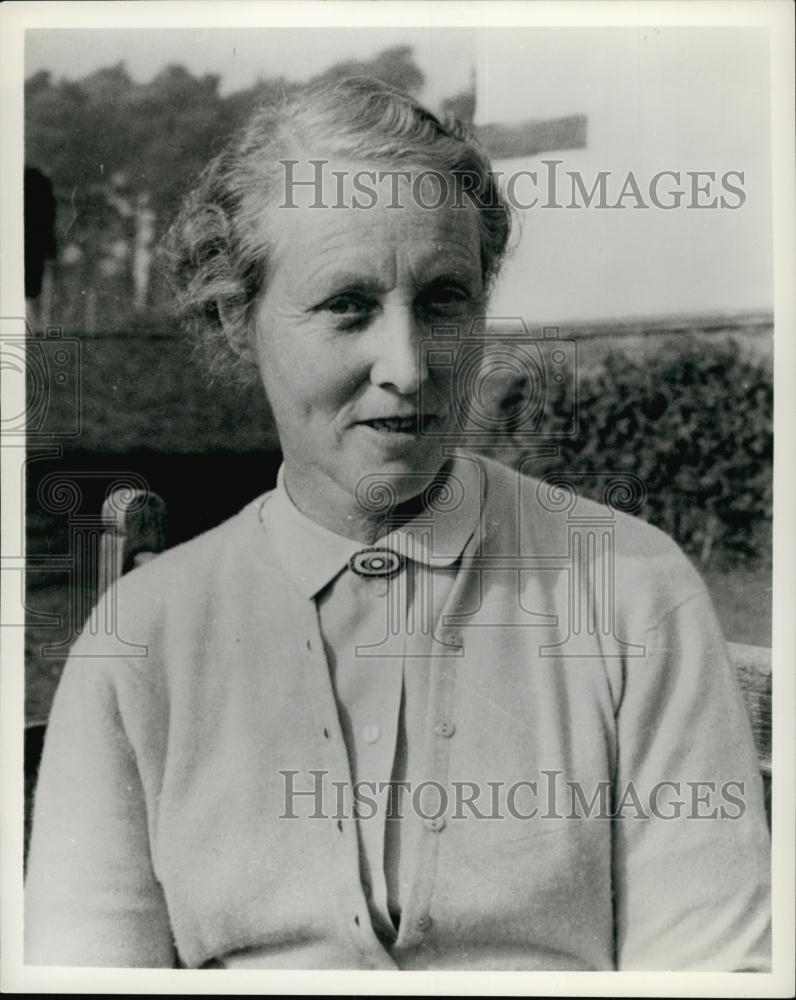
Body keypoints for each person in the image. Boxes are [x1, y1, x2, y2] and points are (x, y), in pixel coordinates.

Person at [25, 77, 770, 971]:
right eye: (347, 304)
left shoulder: (633, 596)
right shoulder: (138, 643)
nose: (409, 367)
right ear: (236, 320)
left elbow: (714, 968)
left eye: (446, 299)